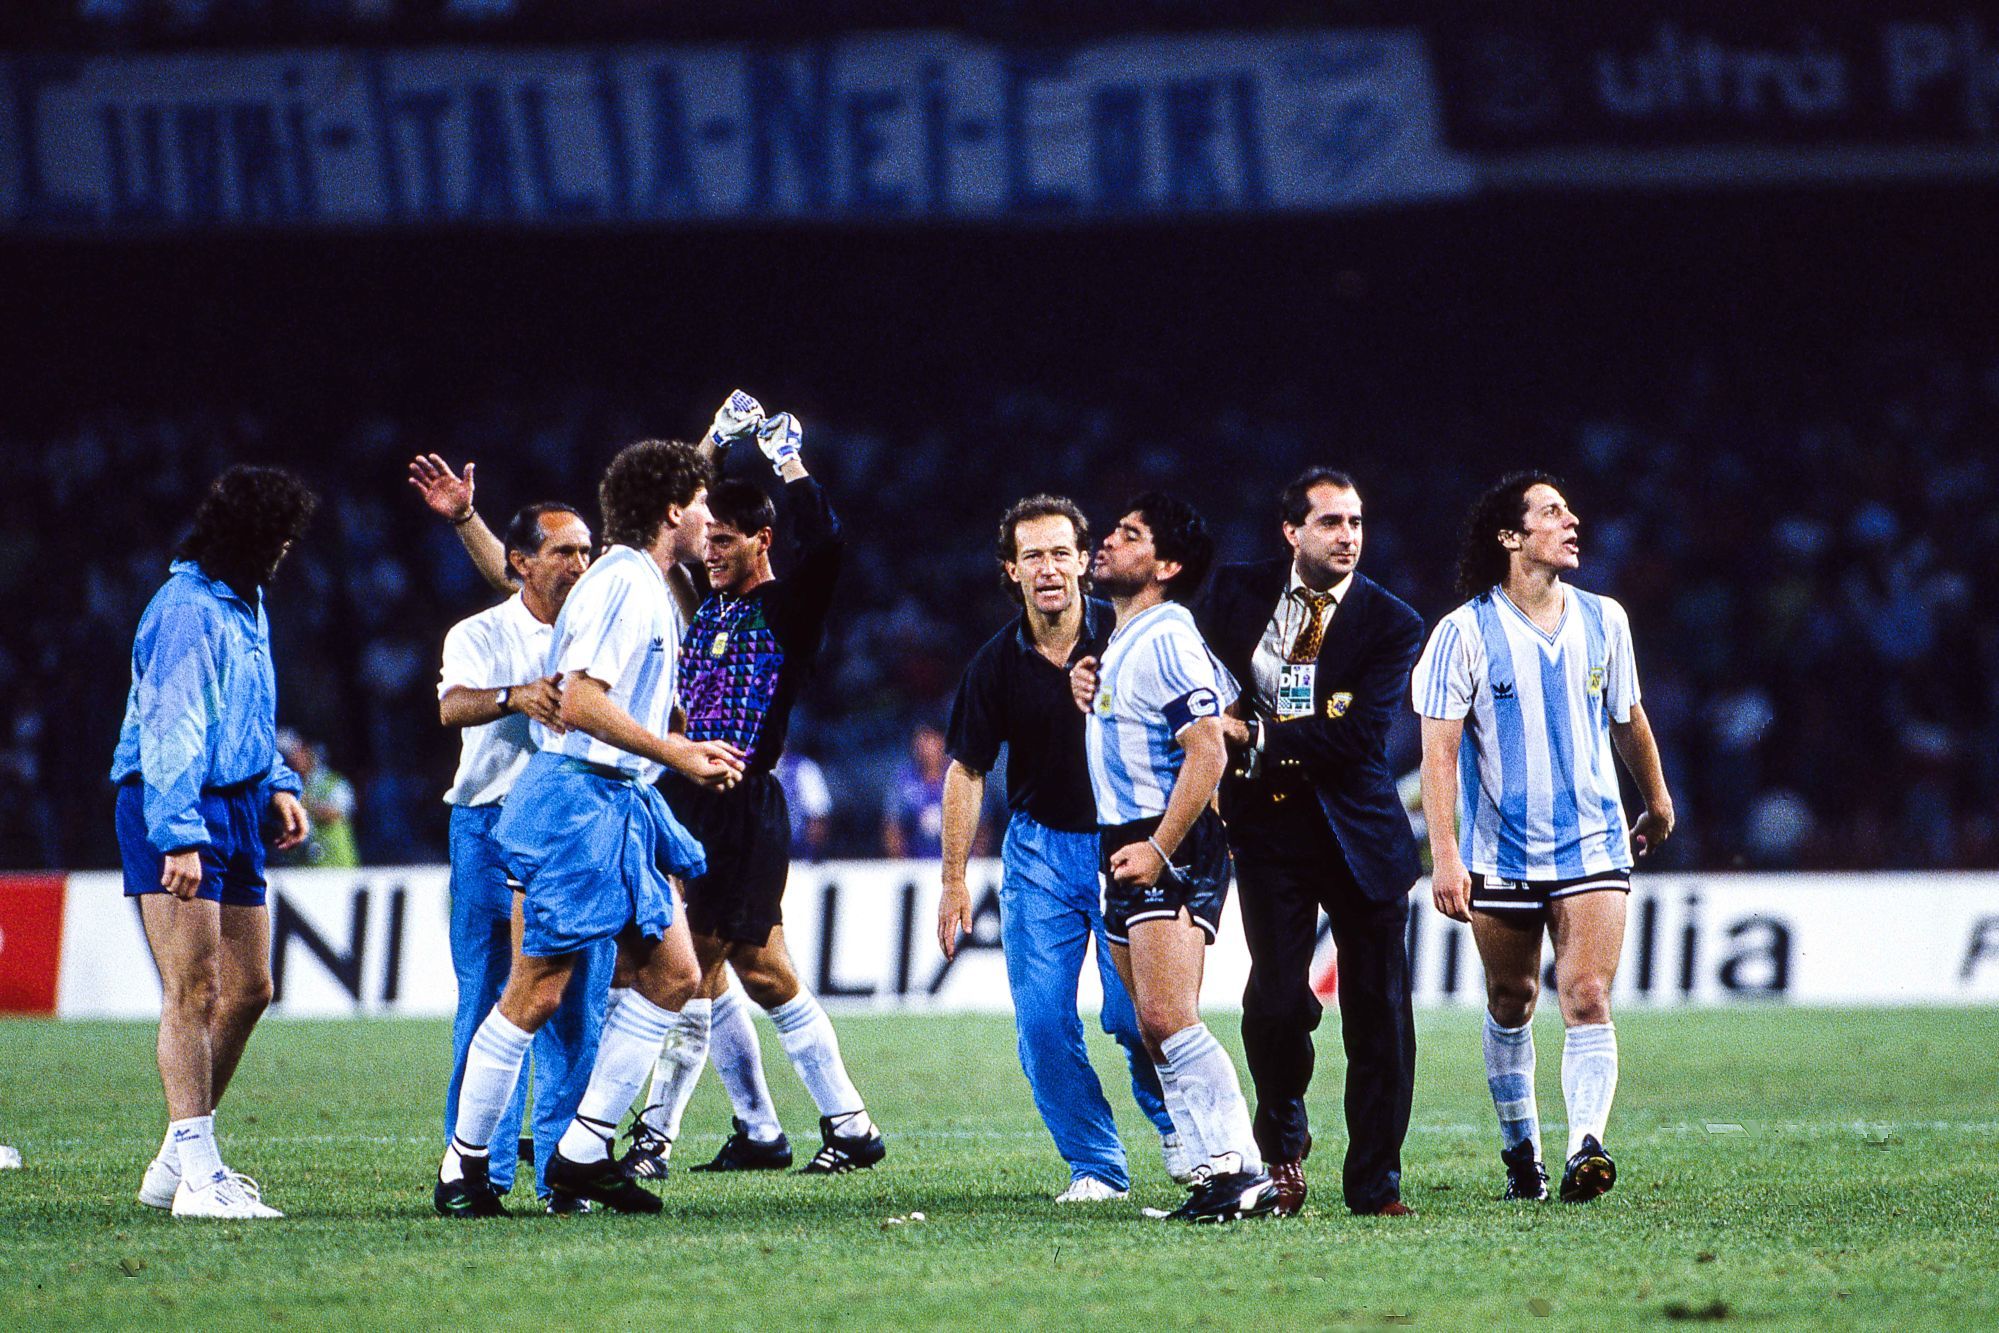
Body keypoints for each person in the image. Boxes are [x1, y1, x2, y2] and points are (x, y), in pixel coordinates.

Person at [433, 437, 746, 1217]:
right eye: (701, 502)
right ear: (673, 511)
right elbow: (578, 700)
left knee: (674, 974)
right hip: (576, 799)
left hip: (614, 799)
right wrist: (673, 747)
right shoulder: (625, 585)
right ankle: (464, 1166)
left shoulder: (636, 578)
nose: (711, 517)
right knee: (533, 990)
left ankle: (579, 1152)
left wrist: (671, 731)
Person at [624, 403, 887, 1177]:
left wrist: (789, 462)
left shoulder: (784, 610)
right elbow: (660, 527)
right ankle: (838, 1126)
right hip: (686, 797)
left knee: (688, 970)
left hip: (741, 801)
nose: (709, 556)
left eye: (727, 543)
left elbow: (830, 543)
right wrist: (711, 438)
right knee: (758, 972)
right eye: (707, 542)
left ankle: (654, 1141)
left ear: (762, 541)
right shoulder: (708, 603)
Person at [1413, 472, 1675, 1204]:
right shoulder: (1462, 632)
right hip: (1501, 851)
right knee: (1511, 998)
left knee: (1586, 993)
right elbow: (1437, 753)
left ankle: (1583, 1146)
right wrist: (1445, 856)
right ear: (1509, 535)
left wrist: (1654, 799)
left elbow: (1627, 716)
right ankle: (1519, 1150)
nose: (1572, 521)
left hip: (1593, 840)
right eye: (1551, 512)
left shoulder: (1605, 619)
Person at [1193, 467, 1424, 1217]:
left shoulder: (1392, 624)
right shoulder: (1231, 592)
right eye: (1329, 522)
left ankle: (1374, 1186)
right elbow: (1185, 661)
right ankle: (1282, 1140)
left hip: (1361, 836)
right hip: (1267, 831)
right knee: (1275, 1000)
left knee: (1378, 1014)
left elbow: (1359, 736)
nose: (1347, 535)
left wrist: (1254, 732)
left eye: (1355, 521)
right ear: (1290, 531)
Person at [938, 494, 1181, 1202]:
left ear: (1084, 560)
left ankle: (1179, 1129)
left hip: (1125, 846)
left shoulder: (1132, 636)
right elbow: (967, 770)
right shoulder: (992, 665)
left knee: (1138, 1016)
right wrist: (953, 880)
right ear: (1011, 571)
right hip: (1037, 853)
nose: (1048, 568)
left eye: (1060, 552)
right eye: (1032, 555)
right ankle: (1096, 1167)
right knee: (1042, 1022)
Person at [114, 464, 317, 1220]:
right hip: (173, 804)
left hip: (232, 802)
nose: (286, 549)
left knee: (251, 987)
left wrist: (278, 785)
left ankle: (176, 1161)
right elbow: (170, 727)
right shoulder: (185, 610)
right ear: (246, 536)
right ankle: (200, 1176)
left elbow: (249, 712)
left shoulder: (246, 603)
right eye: (278, 536)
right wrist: (177, 834)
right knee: (192, 989)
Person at [1073, 493, 1278, 1223]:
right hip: (1125, 837)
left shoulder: (1164, 634)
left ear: (1165, 565)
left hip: (1168, 839)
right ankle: (1206, 1172)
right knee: (1147, 1022)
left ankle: (1239, 1169)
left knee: (1167, 1015)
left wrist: (1160, 847)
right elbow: (1222, 712)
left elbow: (1208, 748)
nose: (1106, 541)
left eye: (1128, 535)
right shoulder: (1129, 638)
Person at [423, 489, 612, 1213]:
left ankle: (566, 1174)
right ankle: (476, 1170)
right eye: (565, 551)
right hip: (488, 822)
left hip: (575, 825)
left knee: (576, 1004)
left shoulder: (598, 634)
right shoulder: (480, 632)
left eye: (586, 551)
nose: (580, 563)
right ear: (522, 562)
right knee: (488, 995)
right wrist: (513, 696)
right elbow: (451, 706)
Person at [274, 729, 360, 868]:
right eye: (286, 756)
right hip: (304, 869)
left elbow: (339, 812)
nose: (292, 760)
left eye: (294, 753)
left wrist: (305, 805)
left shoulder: (334, 782)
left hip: (338, 867)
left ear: (306, 751)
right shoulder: (288, 789)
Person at [882, 724, 949, 858]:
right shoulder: (902, 780)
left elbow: (982, 828)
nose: (926, 747)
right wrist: (904, 867)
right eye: (921, 739)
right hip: (916, 865)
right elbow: (892, 828)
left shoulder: (963, 777)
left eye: (932, 739)